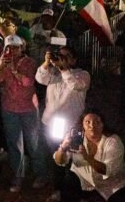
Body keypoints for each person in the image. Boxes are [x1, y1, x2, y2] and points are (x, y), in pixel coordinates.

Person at [0, 34, 48, 193]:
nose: (11, 51)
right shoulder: (3, 62)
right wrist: (0, 66)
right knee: (14, 144)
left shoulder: (30, 62)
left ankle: (41, 173)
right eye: (8, 48)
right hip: (9, 108)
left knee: (34, 143)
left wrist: (13, 70)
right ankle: (18, 175)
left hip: (28, 108)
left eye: (15, 47)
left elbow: (28, 82)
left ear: (22, 48)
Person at [37, 46, 91, 201]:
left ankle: (75, 193)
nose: (61, 59)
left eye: (66, 56)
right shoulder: (53, 74)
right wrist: (46, 63)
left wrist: (64, 69)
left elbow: (76, 85)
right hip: (50, 123)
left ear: (74, 59)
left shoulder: (83, 75)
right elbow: (40, 78)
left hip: (71, 126)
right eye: (59, 55)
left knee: (74, 162)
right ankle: (58, 191)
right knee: (56, 160)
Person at [53, 109, 125, 202]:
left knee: (122, 197)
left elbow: (107, 170)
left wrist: (87, 157)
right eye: (88, 122)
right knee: (68, 181)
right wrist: (63, 148)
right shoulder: (75, 139)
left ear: (102, 125)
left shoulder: (113, 141)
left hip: (112, 185)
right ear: (82, 125)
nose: (92, 125)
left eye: (97, 122)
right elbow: (60, 161)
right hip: (84, 183)